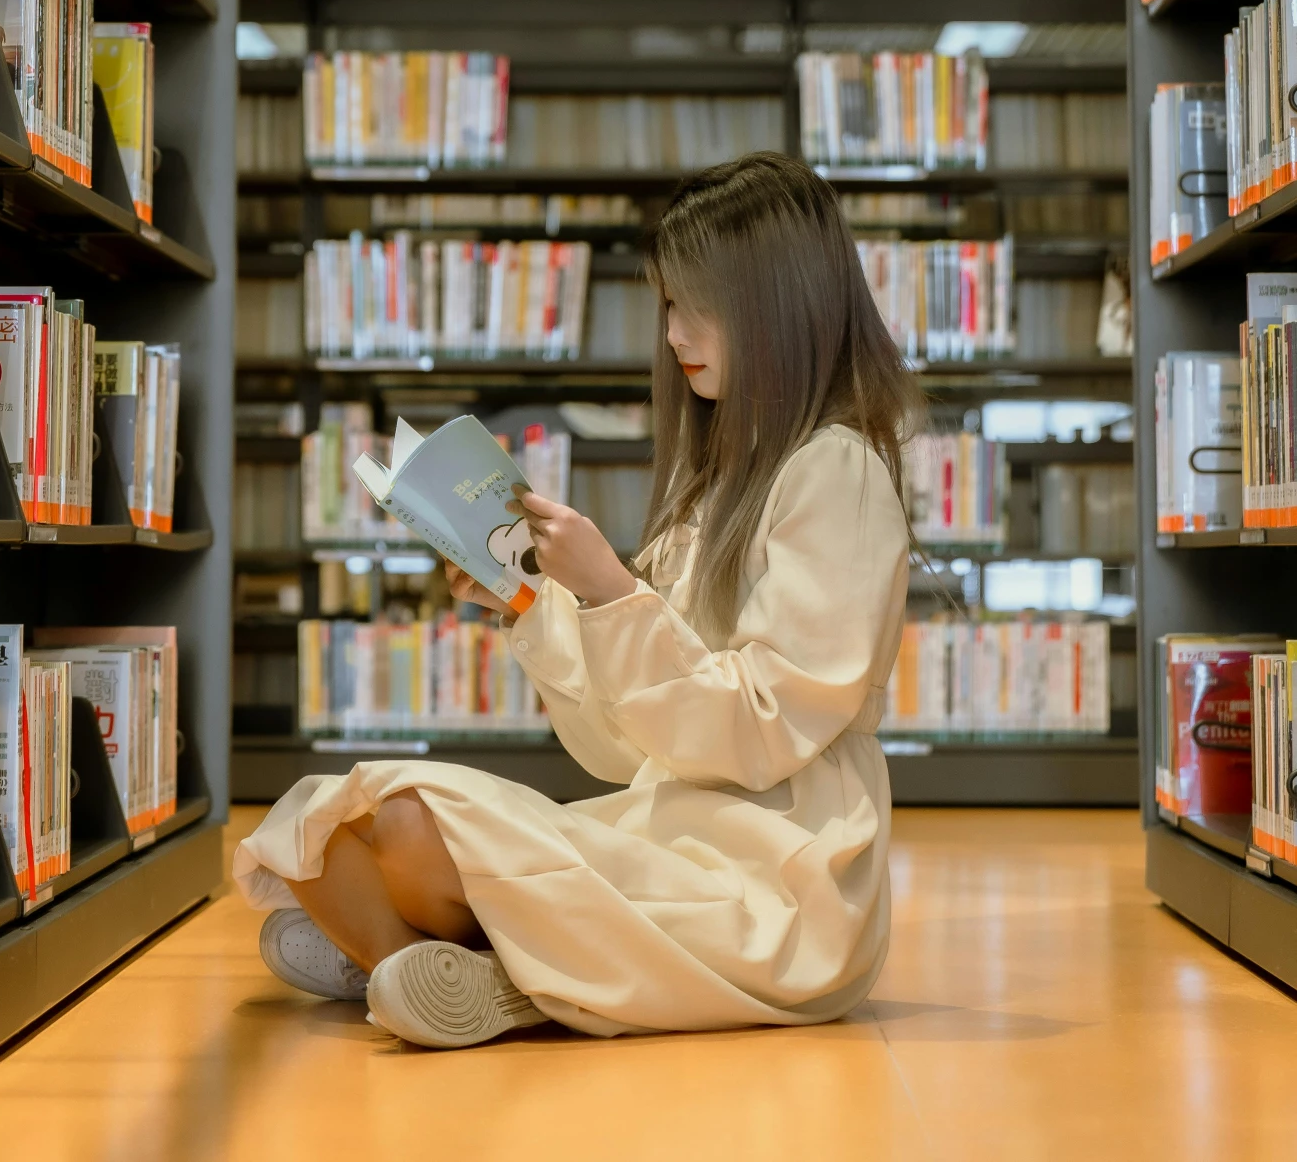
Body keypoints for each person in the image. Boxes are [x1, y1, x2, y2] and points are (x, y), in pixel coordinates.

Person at [235, 150, 919, 1049]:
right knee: (342, 822)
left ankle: (444, 966)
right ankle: (462, 970)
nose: (673, 333)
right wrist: (541, 608)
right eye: (667, 303)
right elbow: (620, 749)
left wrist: (609, 591)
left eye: (694, 304)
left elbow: (758, 734)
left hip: (782, 874)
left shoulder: (838, 470)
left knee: (401, 827)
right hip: (673, 826)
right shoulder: (716, 485)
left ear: (774, 303)